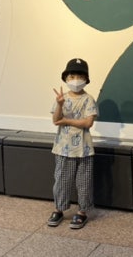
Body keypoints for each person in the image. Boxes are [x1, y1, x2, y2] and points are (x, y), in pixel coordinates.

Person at [48, 57, 98, 229]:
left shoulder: (88, 99)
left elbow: (88, 122)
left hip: (84, 149)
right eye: (72, 76)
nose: (75, 80)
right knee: (61, 180)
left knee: (84, 182)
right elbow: (56, 120)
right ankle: (59, 209)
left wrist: (67, 121)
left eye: (79, 76)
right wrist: (60, 105)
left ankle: (82, 212)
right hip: (63, 148)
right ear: (66, 78)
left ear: (86, 79)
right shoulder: (61, 98)